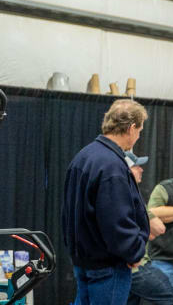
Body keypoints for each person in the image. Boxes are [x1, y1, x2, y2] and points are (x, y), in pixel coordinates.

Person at [63, 99, 151, 305]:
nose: (138, 136)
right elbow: (116, 220)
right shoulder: (112, 166)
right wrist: (134, 253)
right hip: (108, 267)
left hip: (83, 261)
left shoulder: (83, 156)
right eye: (139, 131)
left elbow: (69, 213)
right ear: (131, 128)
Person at [126, 155, 173, 305]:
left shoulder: (126, 193)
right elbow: (158, 228)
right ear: (126, 170)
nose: (141, 169)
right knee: (170, 295)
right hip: (135, 265)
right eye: (136, 166)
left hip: (126, 266)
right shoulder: (130, 195)